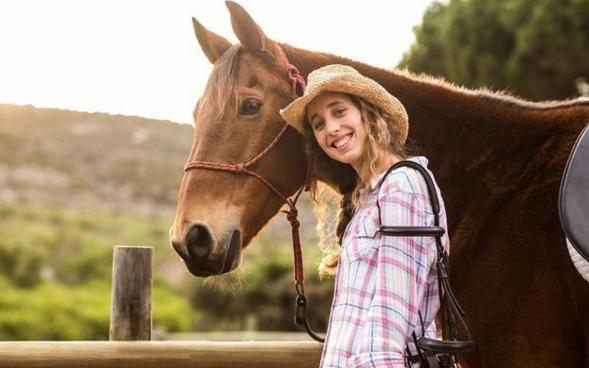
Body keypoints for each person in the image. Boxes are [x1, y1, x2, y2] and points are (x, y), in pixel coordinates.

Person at [280, 64, 450, 367]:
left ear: (366, 113)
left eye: (339, 112)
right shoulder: (368, 197)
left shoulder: (402, 186)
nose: (331, 128)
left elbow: (388, 329)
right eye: (318, 124)